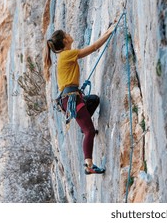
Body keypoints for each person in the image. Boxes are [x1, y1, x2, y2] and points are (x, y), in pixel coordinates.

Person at [44, 25, 115, 174]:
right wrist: (109, 31)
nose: (70, 34)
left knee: (93, 100)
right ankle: (88, 166)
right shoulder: (66, 54)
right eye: (67, 34)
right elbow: (94, 47)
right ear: (65, 40)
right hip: (71, 100)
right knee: (89, 131)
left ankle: (85, 126)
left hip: (72, 97)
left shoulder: (64, 55)